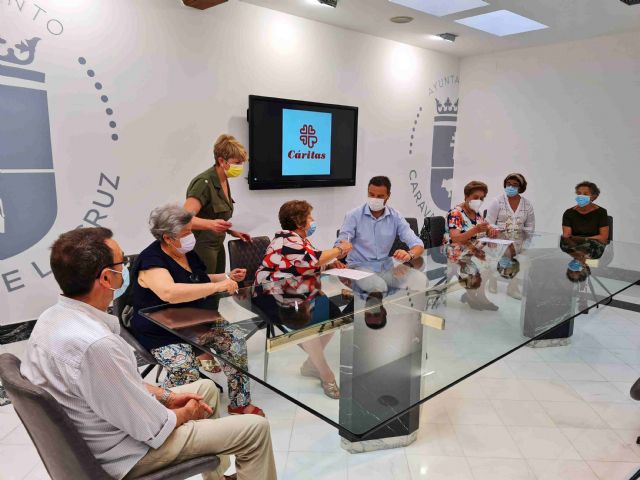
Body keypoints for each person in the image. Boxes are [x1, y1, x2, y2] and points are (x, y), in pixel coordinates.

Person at [20, 227, 276, 480]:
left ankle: (216, 478)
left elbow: (116, 386)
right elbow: (152, 428)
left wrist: (166, 395)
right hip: (126, 454)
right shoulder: (97, 345)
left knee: (205, 389)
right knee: (254, 429)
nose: (127, 269)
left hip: (104, 427)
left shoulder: (51, 318)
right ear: (107, 278)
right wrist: (187, 412)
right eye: (122, 263)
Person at [130, 204, 264, 416]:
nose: (190, 236)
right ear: (167, 238)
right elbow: (170, 292)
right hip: (162, 329)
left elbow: (198, 279)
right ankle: (161, 412)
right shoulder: (151, 260)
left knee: (235, 341)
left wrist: (227, 277)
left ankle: (239, 403)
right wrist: (217, 287)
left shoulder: (186, 253)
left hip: (196, 319)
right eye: (185, 233)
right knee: (185, 368)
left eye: (190, 230)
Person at [255, 200, 352, 398]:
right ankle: (326, 375)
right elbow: (313, 259)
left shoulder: (298, 240)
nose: (312, 221)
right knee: (309, 326)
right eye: (310, 217)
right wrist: (341, 250)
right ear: (299, 221)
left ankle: (311, 364)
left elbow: (306, 263)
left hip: (298, 291)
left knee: (334, 316)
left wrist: (330, 265)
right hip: (273, 296)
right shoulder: (287, 241)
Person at [184, 134, 251, 276]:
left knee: (220, 286)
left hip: (218, 245)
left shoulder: (223, 180)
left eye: (242, 163)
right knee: (206, 287)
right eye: (237, 163)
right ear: (221, 161)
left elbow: (216, 215)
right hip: (201, 247)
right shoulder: (204, 183)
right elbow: (183, 219)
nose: (240, 167)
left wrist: (232, 230)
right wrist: (210, 225)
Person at [336, 176, 424, 264]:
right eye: (371, 195)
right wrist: (341, 250)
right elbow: (337, 251)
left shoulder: (396, 217)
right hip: (357, 266)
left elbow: (418, 245)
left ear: (388, 195)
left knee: (415, 273)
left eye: (380, 196)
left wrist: (409, 255)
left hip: (384, 267)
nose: (375, 199)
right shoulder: (353, 215)